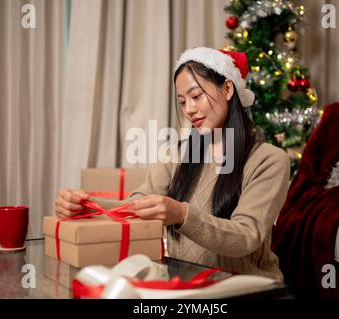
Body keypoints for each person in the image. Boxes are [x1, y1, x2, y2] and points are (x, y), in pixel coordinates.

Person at [54, 47, 290, 282]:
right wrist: (86, 206)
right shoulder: (178, 154)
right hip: (187, 287)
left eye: (196, 96)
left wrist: (181, 214)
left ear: (227, 89)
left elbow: (246, 237)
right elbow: (137, 206)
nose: (189, 110)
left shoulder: (268, 160)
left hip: (248, 290)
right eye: (182, 102)